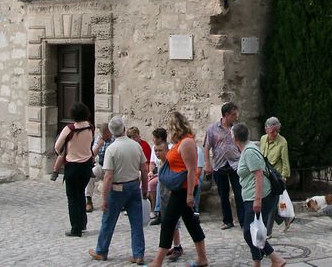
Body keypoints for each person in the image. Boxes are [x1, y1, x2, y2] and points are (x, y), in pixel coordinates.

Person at [149, 111, 208, 267]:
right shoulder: (181, 142)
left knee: (168, 222)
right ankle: (202, 258)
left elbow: (191, 170)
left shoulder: (187, 142)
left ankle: (157, 261)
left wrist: (190, 195)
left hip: (184, 190)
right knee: (191, 223)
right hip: (179, 189)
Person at [88, 116, 148, 263]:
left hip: (117, 188)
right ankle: (138, 254)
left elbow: (108, 176)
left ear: (111, 131)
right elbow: (144, 169)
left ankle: (102, 251)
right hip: (134, 185)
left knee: (108, 220)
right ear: (124, 128)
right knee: (136, 222)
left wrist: (104, 198)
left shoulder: (112, 149)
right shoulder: (136, 146)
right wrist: (145, 189)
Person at [233, 122, 287, 267]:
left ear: (234, 138)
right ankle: (257, 263)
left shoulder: (249, 151)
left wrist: (257, 200)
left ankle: (276, 259)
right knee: (254, 230)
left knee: (249, 232)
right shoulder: (248, 149)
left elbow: (258, 175)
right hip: (252, 197)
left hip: (258, 197)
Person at [55, 102, 95, 237]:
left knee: (72, 198)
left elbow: (57, 146)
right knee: (80, 194)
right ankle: (82, 223)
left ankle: (76, 229)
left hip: (73, 166)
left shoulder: (69, 129)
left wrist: (62, 153)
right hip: (86, 165)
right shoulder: (90, 127)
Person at [203, 101, 244, 229]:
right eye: (233, 115)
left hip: (235, 164)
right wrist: (207, 164)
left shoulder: (237, 128)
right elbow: (206, 147)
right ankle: (227, 220)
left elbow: (243, 145)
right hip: (219, 165)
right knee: (223, 194)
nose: (236, 117)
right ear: (226, 115)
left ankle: (243, 221)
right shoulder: (212, 129)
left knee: (239, 193)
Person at [259, 116, 293, 235]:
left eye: (277, 131)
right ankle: (285, 217)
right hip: (265, 175)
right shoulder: (263, 139)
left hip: (276, 177)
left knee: (272, 205)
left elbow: (285, 160)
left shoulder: (282, 142)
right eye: (272, 131)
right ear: (266, 130)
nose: (275, 133)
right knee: (269, 203)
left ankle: (268, 232)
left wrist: (284, 176)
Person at [85, 123, 112, 213]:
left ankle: (115, 201)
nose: (104, 137)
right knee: (89, 176)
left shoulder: (114, 139)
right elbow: (92, 155)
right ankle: (88, 200)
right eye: (103, 134)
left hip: (112, 168)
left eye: (106, 135)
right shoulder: (99, 139)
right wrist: (99, 145)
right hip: (101, 165)